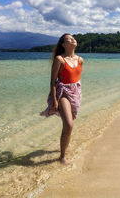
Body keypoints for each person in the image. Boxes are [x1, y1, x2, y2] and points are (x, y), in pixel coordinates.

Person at [40, 33, 83, 165]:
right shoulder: (59, 59)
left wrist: (77, 93)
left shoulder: (80, 59)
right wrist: (54, 100)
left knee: (71, 121)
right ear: (64, 44)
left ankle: (63, 147)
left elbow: (77, 79)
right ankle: (62, 156)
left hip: (75, 93)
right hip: (63, 92)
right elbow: (52, 81)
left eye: (73, 38)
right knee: (69, 124)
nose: (73, 39)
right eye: (69, 39)